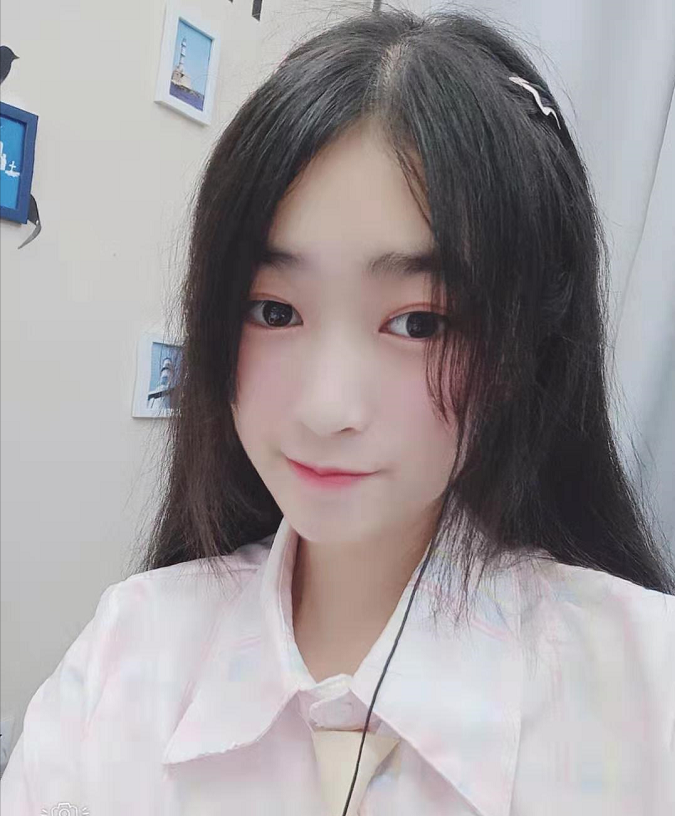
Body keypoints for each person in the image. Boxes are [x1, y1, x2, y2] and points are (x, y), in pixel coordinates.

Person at [2, 7, 675, 816]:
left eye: (418, 323)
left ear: (526, 345)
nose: (326, 409)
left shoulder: (646, 693)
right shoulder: (129, 651)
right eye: (273, 311)